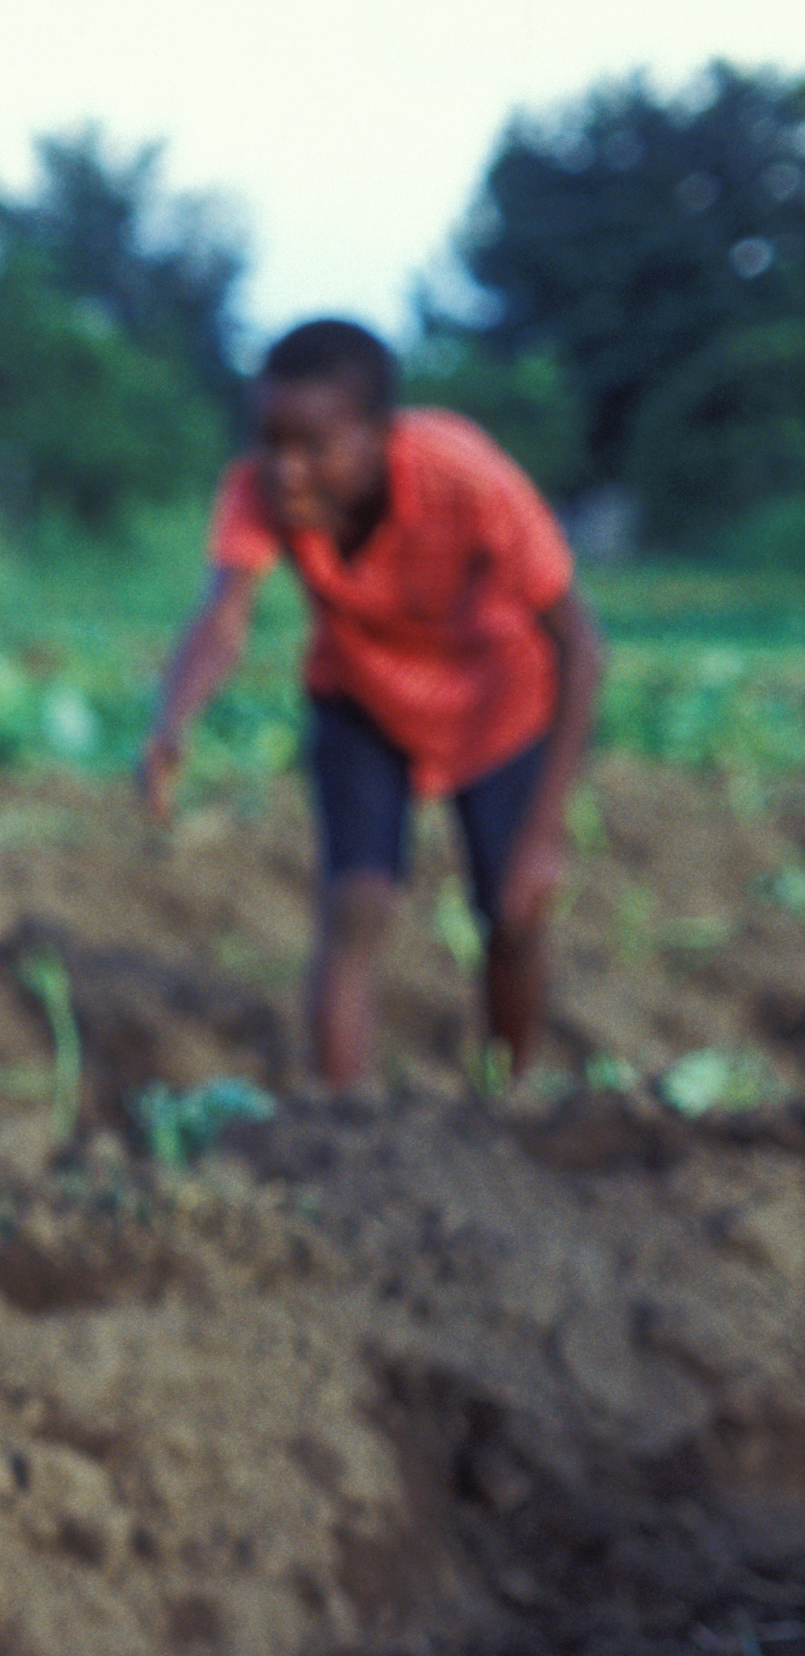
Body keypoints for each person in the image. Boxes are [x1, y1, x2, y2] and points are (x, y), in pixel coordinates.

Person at [139, 317, 604, 1093]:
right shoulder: (256, 490)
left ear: (381, 435)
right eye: (269, 442)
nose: (286, 470)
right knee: (356, 904)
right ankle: (343, 1123)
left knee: (512, 917)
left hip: (497, 709)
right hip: (363, 703)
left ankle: (510, 1099)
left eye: (313, 447)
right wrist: (170, 726)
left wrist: (545, 829)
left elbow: (581, 647)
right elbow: (224, 615)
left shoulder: (466, 478)